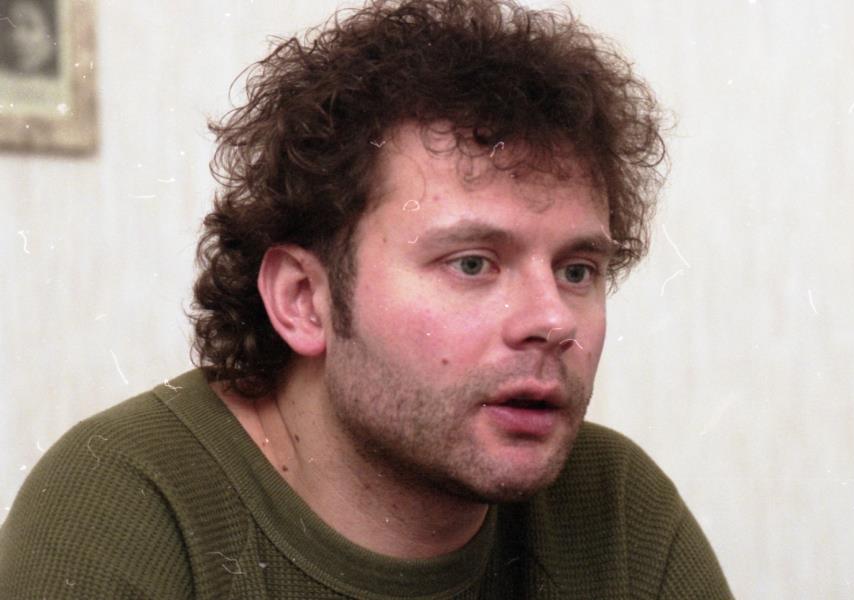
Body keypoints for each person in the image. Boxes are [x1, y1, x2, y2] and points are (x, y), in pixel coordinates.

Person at [0, 0, 733, 597]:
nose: (552, 320)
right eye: (472, 263)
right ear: (304, 300)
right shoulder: (124, 509)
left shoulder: (618, 515)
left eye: (577, 270)